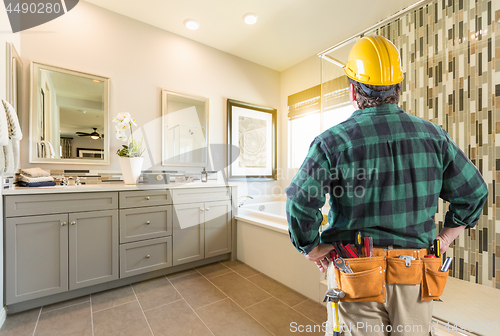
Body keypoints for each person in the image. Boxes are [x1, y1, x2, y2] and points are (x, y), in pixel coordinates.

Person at [285, 35, 488, 336]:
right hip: (415, 273)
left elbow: (300, 200)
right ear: (398, 89)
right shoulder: (434, 137)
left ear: (353, 90)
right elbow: (475, 193)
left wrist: (312, 247)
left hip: (356, 274)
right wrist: (444, 238)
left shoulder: (332, 142)